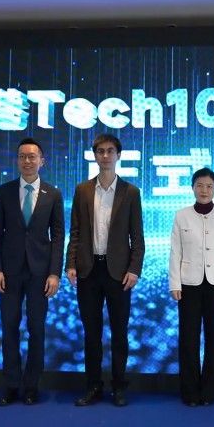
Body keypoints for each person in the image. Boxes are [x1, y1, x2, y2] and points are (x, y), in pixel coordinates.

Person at [66, 134, 144, 407]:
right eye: (101, 151)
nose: (106, 156)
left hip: (119, 273)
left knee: (119, 332)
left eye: (111, 151)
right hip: (88, 270)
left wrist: (134, 269)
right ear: (95, 155)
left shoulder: (130, 192)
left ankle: (119, 387)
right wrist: (70, 263)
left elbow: (137, 237)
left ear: (118, 155)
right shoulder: (83, 190)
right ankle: (93, 386)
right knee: (92, 333)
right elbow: (75, 231)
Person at [0, 137, 64, 406]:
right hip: (9, 272)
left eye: (32, 156)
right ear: (17, 160)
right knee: (9, 327)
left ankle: (31, 386)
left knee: (36, 328)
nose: (27, 161)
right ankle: (11, 384)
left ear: (42, 161)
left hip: (40, 273)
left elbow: (58, 236)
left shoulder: (53, 194)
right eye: (22, 156)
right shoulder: (4, 192)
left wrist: (55, 273)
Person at [168, 168, 214, 407]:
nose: (204, 190)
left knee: (213, 339)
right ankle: (189, 392)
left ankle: (208, 391)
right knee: (188, 339)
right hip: (188, 284)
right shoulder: (182, 215)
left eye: (209, 186)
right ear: (192, 188)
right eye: (199, 185)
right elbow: (175, 251)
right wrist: (174, 283)